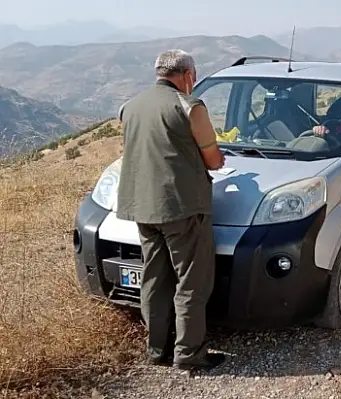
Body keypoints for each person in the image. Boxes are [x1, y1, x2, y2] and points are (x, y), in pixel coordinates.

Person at [116, 49, 226, 370]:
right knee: (191, 281)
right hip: (182, 206)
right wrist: (218, 160)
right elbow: (212, 158)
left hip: (142, 207)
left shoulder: (130, 106)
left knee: (154, 277)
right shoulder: (190, 106)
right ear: (188, 75)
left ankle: (156, 349)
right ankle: (189, 354)